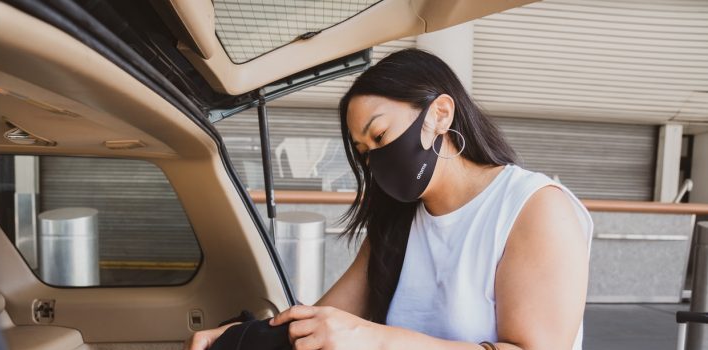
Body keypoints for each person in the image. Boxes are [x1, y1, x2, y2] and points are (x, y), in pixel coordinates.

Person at [188, 48, 593, 350]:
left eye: (380, 136)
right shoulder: (397, 224)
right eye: (363, 152)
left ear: (440, 115)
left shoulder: (533, 208)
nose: (375, 159)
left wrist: (375, 339)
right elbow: (320, 325)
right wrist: (237, 338)